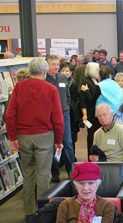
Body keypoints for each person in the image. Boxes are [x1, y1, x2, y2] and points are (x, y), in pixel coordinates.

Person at [5, 57, 64, 218]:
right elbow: (58, 119)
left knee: (28, 173)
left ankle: (29, 211)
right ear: (45, 71)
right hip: (44, 136)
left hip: (23, 136)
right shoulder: (51, 89)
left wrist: (12, 137)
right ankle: (42, 211)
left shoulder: (19, 87)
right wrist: (59, 140)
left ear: (30, 71)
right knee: (43, 174)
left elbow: (10, 115)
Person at [45, 55, 74, 183]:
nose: (56, 67)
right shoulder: (43, 80)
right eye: (53, 65)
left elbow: (68, 96)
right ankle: (54, 172)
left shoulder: (63, 78)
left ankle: (71, 171)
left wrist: (66, 107)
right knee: (51, 145)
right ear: (46, 66)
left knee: (67, 142)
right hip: (50, 117)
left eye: (57, 64)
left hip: (64, 114)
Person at [91, 104, 123, 169]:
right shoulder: (97, 134)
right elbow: (96, 154)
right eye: (99, 116)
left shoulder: (121, 131)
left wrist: (121, 168)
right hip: (102, 168)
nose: (102, 118)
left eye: (104, 114)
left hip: (118, 168)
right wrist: (94, 158)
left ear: (112, 115)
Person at [80, 62, 102, 156]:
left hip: (97, 113)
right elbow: (84, 100)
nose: (99, 71)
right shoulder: (86, 82)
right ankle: (91, 155)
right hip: (91, 113)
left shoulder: (96, 81)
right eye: (97, 69)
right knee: (91, 135)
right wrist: (84, 115)